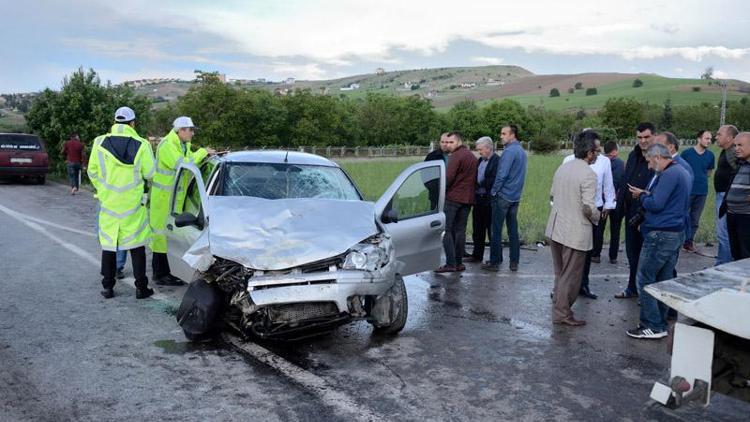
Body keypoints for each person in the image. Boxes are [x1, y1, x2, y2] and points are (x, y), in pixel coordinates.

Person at [87, 106, 155, 299]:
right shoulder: (142, 144)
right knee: (137, 245)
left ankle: (108, 287)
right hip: (133, 204)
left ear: (115, 122)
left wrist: (103, 190)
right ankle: (141, 288)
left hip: (109, 203)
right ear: (132, 123)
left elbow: (92, 171)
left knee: (109, 245)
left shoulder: (99, 142)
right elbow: (150, 173)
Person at [626, 143, 691, 339]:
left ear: (656, 157)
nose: (648, 166)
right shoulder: (682, 171)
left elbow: (657, 203)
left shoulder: (669, 174)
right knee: (663, 279)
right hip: (674, 232)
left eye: (649, 161)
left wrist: (642, 198)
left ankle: (651, 325)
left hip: (661, 234)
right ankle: (660, 323)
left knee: (645, 278)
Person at [150, 116, 213, 286]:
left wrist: (203, 153)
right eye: (190, 130)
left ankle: (166, 272)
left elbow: (190, 157)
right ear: (181, 130)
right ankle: (160, 274)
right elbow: (184, 164)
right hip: (163, 199)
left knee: (167, 236)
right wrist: (203, 152)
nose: (192, 133)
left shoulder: (180, 144)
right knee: (161, 236)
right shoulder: (168, 145)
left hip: (171, 198)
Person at [546, 132, 600, 326]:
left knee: (560, 273)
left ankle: (559, 309)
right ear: (589, 152)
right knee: (571, 276)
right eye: (597, 151)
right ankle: (562, 313)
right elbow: (588, 207)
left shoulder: (563, 168)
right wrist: (598, 216)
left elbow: (552, 195)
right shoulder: (589, 174)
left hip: (555, 229)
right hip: (575, 233)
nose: (598, 154)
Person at [561, 132, 615, 299]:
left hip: (595, 210)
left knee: (588, 251)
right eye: (596, 149)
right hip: (573, 211)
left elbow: (608, 184)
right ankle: (564, 287)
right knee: (570, 251)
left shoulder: (604, 162)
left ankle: (583, 284)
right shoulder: (568, 161)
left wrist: (608, 205)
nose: (599, 153)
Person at [615, 122, 655, 299]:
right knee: (632, 254)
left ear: (654, 136)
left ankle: (648, 293)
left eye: (646, 137)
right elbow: (625, 180)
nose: (643, 141)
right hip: (630, 213)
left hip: (649, 214)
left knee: (649, 258)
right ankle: (632, 288)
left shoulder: (658, 158)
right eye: (639, 137)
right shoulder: (633, 155)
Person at [483, 125, 527, 272]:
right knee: (513, 230)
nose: (501, 136)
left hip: (503, 196)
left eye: (504, 134)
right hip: (515, 197)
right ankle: (514, 261)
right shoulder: (521, 150)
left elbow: (502, 175)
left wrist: (494, 191)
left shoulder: (509, 152)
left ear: (512, 135)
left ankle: (495, 262)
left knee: (496, 229)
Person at [435, 131, 477, 273]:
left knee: (447, 230)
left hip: (453, 198)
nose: (449, 145)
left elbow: (448, 178)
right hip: (468, 199)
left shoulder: (456, 156)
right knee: (460, 231)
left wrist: (441, 193)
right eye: (447, 142)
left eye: (452, 142)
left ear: (458, 141)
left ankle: (451, 263)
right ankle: (458, 263)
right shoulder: (471, 156)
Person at [680, 130, 715, 252]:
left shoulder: (710, 155)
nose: (709, 141)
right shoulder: (686, 153)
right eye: (707, 138)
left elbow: (709, 172)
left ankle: (689, 241)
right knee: (682, 215)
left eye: (710, 139)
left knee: (695, 218)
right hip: (687, 190)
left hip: (702, 191)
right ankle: (679, 239)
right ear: (699, 139)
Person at [466, 136, 499, 263]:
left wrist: (481, 184)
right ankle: (477, 255)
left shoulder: (497, 161)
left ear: (488, 148)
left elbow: (493, 179)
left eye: (480, 149)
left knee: (491, 231)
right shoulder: (480, 160)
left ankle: (495, 259)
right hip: (478, 199)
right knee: (477, 229)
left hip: (489, 201)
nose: (479, 152)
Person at [713, 125, 740, 265]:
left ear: (730, 137)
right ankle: (722, 262)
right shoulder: (726, 151)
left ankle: (722, 266)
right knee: (723, 233)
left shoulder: (733, 153)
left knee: (724, 234)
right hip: (722, 195)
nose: (716, 137)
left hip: (726, 197)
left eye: (719, 134)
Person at [722, 132, 750, 260]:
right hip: (733, 215)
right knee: (736, 254)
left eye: (740, 145)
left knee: (746, 255)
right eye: (735, 145)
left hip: (746, 217)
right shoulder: (740, 164)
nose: (736, 149)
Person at [603, 141, 625, 264]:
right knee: (615, 230)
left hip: (603, 200)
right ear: (614, 151)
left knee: (599, 229)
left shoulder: (599, 162)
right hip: (617, 202)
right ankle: (613, 256)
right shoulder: (621, 164)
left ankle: (595, 254)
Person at [424, 133, 449, 209]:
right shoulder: (431, 156)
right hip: (435, 195)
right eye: (442, 142)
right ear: (439, 142)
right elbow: (425, 175)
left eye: (447, 142)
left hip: (452, 196)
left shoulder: (456, 156)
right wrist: (433, 188)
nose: (444, 144)